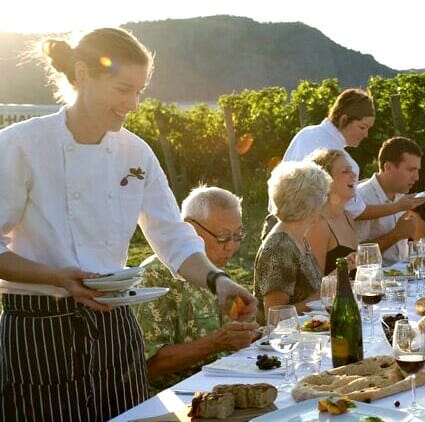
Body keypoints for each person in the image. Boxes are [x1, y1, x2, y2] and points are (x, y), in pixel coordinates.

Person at [0, 28, 255, 421]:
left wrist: (217, 280)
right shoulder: (19, 146)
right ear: (82, 74)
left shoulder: (135, 152)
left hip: (115, 323)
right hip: (40, 328)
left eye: (139, 91)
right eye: (123, 89)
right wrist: (57, 277)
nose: (133, 104)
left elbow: (172, 235)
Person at [135, 186, 260, 395]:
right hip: (176, 400)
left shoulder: (218, 273)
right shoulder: (154, 277)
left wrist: (249, 333)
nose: (231, 246)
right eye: (222, 237)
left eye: (237, 236)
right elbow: (148, 365)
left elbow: (236, 332)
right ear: (189, 228)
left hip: (223, 388)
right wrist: (214, 344)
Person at [263, 88, 424, 238]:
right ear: (344, 120)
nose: (366, 134)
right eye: (362, 127)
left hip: (274, 226)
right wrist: (398, 206)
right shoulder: (344, 161)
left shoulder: (305, 133)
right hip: (307, 235)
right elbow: (356, 212)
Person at [254, 161, 330, 322]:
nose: (326, 202)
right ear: (309, 204)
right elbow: (274, 317)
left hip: (309, 334)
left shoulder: (298, 236)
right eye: (324, 196)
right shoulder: (279, 248)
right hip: (287, 343)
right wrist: (322, 296)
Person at [355, 137, 422, 264]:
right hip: (376, 281)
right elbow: (355, 256)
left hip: (403, 277)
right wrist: (396, 235)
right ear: (388, 167)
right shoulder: (361, 198)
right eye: (411, 170)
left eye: (417, 170)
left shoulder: (401, 195)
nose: (417, 177)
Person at [305, 149, 358, 275]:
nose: (354, 175)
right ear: (326, 181)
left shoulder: (347, 217)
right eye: (345, 171)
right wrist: (344, 267)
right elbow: (316, 286)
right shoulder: (318, 225)